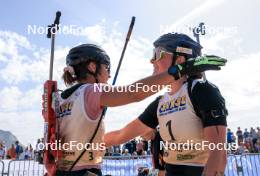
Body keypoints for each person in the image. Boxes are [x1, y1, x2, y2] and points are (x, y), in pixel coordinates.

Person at [50, 42, 225, 176]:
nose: (109, 74)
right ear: (92, 67)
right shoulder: (91, 90)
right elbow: (133, 93)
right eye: (106, 68)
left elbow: (111, 137)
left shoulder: (57, 98)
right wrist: (179, 70)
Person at [105, 33, 228, 176]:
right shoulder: (160, 102)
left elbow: (218, 155)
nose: (152, 61)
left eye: (157, 54)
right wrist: (86, 144)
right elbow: (121, 135)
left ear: (180, 59)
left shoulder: (202, 90)